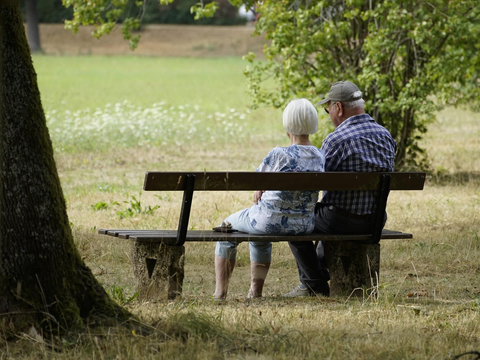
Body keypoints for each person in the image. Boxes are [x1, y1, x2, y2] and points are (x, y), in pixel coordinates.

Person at [284, 81, 397, 297]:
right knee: (327, 214)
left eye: (328, 110)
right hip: (375, 220)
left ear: (339, 108)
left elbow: (316, 182)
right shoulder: (386, 136)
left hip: (341, 221)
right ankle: (318, 275)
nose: (329, 115)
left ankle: (314, 284)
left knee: (294, 219)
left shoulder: (336, 140)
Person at [213, 98, 325, 300]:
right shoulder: (320, 156)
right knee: (258, 231)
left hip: (268, 222)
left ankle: (220, 293)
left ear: (287, 126)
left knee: (226, 227)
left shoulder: (279, 154)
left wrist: (260, 188)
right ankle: (255, 292)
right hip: (303, 226)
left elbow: (256, 180)